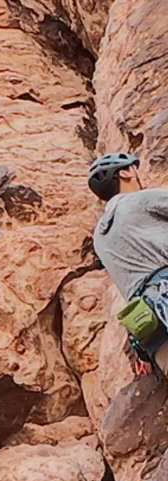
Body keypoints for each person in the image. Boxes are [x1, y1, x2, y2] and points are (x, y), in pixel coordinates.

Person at [89, 153, 168, 367]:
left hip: (150, 329)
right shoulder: (138, 201)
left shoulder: (99, 237)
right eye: (134, 168)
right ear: (125, 173)